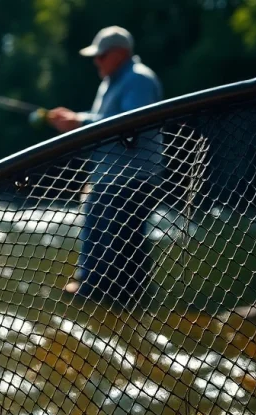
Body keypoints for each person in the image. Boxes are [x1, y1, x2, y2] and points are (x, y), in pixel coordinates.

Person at [45, 26, 164, 307]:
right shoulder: (109, 82)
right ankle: (95, 289)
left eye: (101, 55)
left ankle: (121, 302)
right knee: (101, 237)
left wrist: (79, 122)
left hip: (132, 182)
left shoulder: (139, 80)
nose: (96, 61)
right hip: (107, 179)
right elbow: (105, 120)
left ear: (121, 53)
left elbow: (130, 128)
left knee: (122, 248)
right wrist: (77, 122)